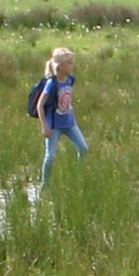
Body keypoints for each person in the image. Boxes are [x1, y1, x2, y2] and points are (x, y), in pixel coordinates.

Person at [33, 48, 87, 184]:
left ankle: (78, 178)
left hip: (70, 123)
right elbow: (40, 105)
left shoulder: (70, 80)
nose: (72, 66)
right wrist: (45, 127)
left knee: (83, 149)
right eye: (69, 63)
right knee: (50, 155)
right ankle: (45, 184)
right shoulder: (52, 83)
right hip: (54, 126)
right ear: (61, 66)